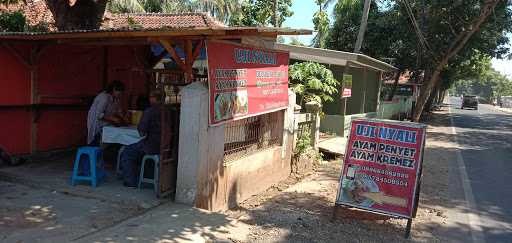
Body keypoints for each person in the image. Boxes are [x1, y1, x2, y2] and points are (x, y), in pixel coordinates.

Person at [120, 90, 162, 187]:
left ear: (153, 98)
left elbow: (141, 132)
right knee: (137, 148)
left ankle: (130, 181)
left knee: (127, 151)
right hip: (166, 145)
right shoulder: (168, 110)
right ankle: (146, 174)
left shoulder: (150, 111)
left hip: (151, 145)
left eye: (151, 97)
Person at [87, 80, 126, 146]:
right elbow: (99, 115)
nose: (120, 95)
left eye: (121, 93)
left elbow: (119, 110)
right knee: (96, 142)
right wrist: (114, 119)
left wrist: (123, 118)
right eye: (119, 93)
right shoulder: (104, 97)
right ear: (113, 90)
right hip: (97, 123)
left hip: (106, 124)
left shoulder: (117, 98)